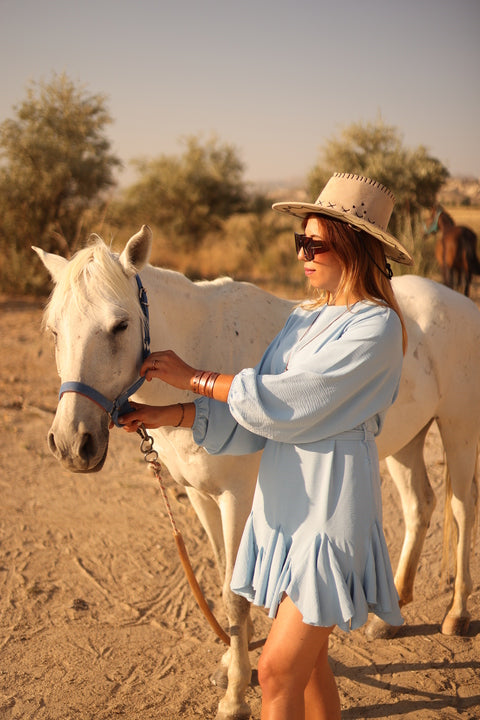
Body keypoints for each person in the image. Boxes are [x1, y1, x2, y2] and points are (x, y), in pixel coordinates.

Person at [119, 172, 414, 719]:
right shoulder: (304, 321)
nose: (303, 253)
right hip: (284, 513)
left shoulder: (375, 329)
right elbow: (258, 420)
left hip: (327, 518)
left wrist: (195, 378)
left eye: (315, 243)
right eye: (299, 241)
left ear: (355, 245)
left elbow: (286, 402)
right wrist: (167, 415)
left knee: (276, 671)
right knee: (310, 670)